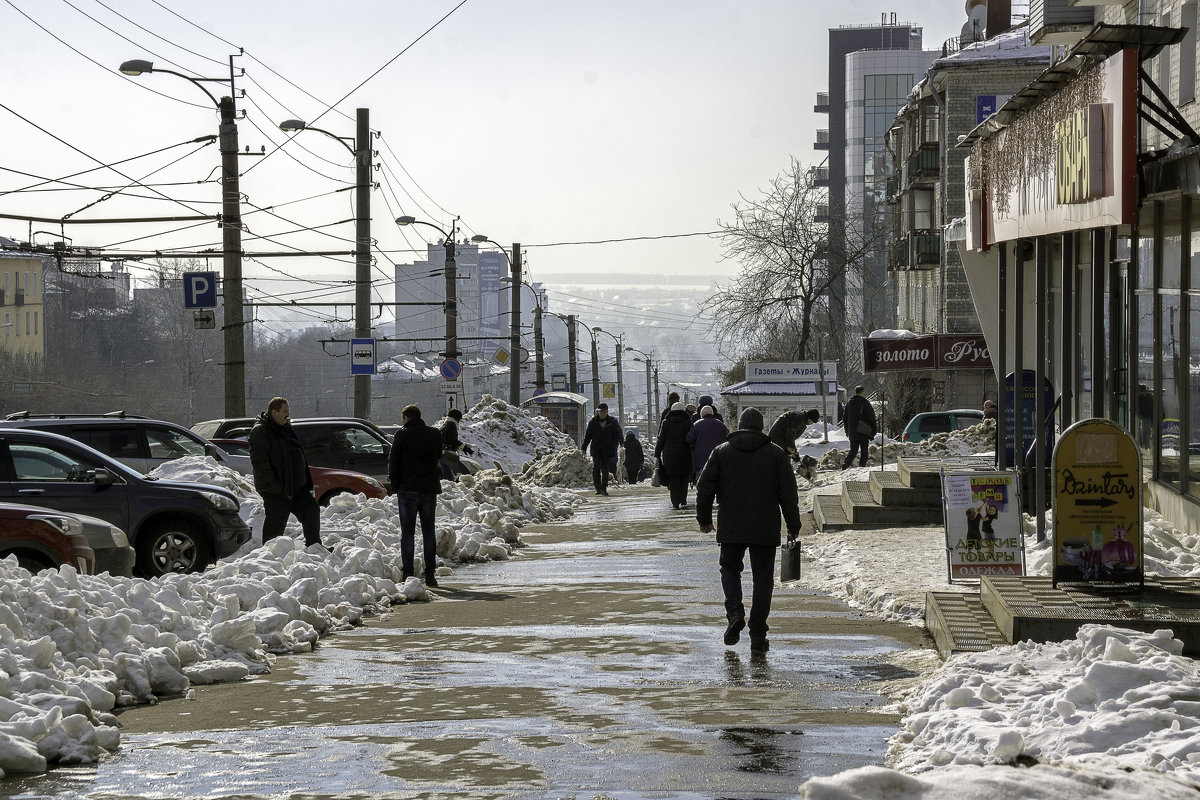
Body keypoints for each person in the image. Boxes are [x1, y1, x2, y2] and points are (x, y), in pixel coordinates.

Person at [696, 407, 801, 654]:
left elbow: (704, 488)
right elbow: (788, 494)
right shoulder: (776, 455)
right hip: (765, 527)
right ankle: (758, 632)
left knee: (730, 570)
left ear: (740, 426)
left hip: (732, 525)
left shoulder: (721, 452)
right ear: (761, 427)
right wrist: (793, 525)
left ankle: (735, 614)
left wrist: (704, 519)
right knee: (763, 579)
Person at [248, 397, 323, 548]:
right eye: (284, 411)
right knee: (275, 525)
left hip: (297, 487)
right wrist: (275, 487)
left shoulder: (286, 427)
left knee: (311, 510)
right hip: (277, 490)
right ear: (273, 412)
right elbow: (260, 463)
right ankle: (269, 555)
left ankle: (315, 547)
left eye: (288, 411)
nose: (288, 414)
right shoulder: (261, 431)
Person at [388, 404, 444, 586]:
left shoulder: (401, 435)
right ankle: (430, 575)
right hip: (429, 489)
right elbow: (438, 456)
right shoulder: (434, 434)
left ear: (406, 418)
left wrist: (395, 486)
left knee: (408, 534)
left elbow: (393, 462)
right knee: (429, 532)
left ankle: (408, 574)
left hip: (407, 489)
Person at [655, 401, 694, 509]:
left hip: (670, 456)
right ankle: (683, 500)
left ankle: (675, 502)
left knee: (674, 479)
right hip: (685, 454)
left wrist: (657, 453)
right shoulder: (687, 422)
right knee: (684, 478)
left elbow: (661, 439)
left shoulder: (666, 422)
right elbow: (691, 438)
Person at [582, 403, 622, 496]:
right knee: (596, 468)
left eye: (604, 411)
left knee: (605, 469)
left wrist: (620, 444)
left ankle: (604, 488)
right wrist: (584, 448)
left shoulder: (612, 422)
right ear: (598, 412)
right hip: (596, 449)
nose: (602, 413)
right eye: (600, 411)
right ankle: (597, 488)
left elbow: (618, 433)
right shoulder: (593, 423)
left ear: (607, 411)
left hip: (608, 449)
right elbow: (588, 436)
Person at [686, 405, 729, 480]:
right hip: (718, 462)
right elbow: (728, 439)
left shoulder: (697, 424)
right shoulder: (721, 425)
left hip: (700, 462)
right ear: (712, 414)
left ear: (701, 415)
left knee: (701, 486)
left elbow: (689, 439)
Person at [841, 385, 877, 469]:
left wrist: (847, 431)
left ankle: (846, 464)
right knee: (864, 451)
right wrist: (873, 430)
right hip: (863, 431)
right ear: (863, 392)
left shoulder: (849, 403)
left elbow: (845, 418)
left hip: (852, 432)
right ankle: (861, 467)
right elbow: (871, 417)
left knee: (853, 450)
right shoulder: (865, 402)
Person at [438, 408, 474, 481]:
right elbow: (453, 441)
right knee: (466, 473)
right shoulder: (451, 425)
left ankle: (453, 491)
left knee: (448, 479)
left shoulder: (444, 426)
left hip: (440, 455)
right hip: (448, 455)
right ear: (457, 418)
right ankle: (460, 487)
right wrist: (465, 448)